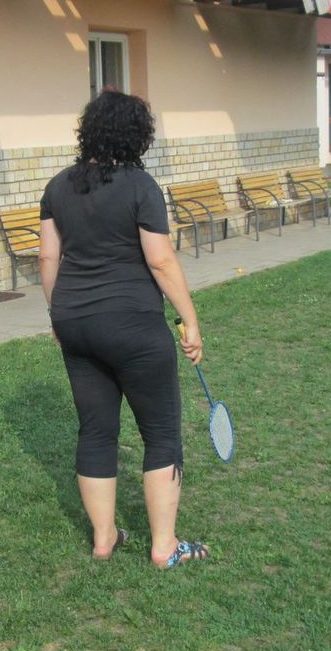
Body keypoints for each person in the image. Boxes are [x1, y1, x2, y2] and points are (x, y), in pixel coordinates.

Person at [39, 90, 210, 569]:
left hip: (76, 324)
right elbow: (160, 260)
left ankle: (104, 539)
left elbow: (48, 257)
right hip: (134, 324)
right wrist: (190, 319)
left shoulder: (57, 187)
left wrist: (57, 314)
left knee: (96, 430)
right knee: (161, 432)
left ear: (89, 131)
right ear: (138, 135)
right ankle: (164, 547)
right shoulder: (141, 187)